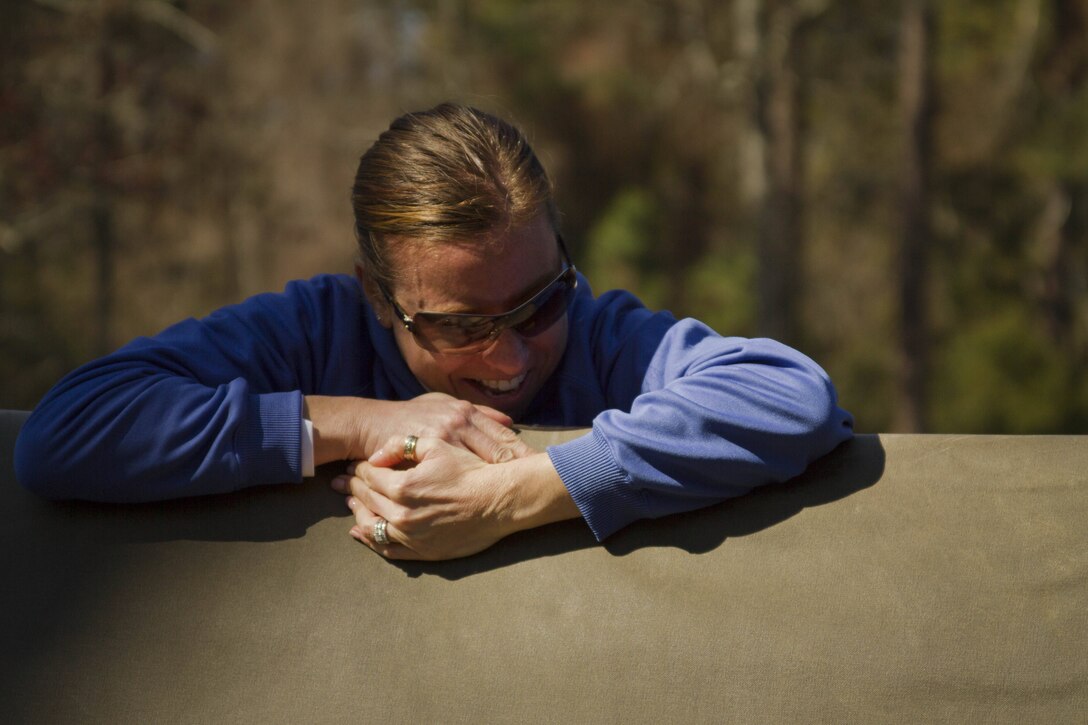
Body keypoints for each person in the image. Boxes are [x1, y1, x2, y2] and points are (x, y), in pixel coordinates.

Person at [14, 102, 854, 560]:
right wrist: (363, 421)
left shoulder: (601, 336)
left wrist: (513, 495)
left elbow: (792, 397)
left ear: (564, 258)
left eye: (539, 302)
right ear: (377, 299)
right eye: (460, 327)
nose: (514, 355)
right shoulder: (310, 332)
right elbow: (68, 432)